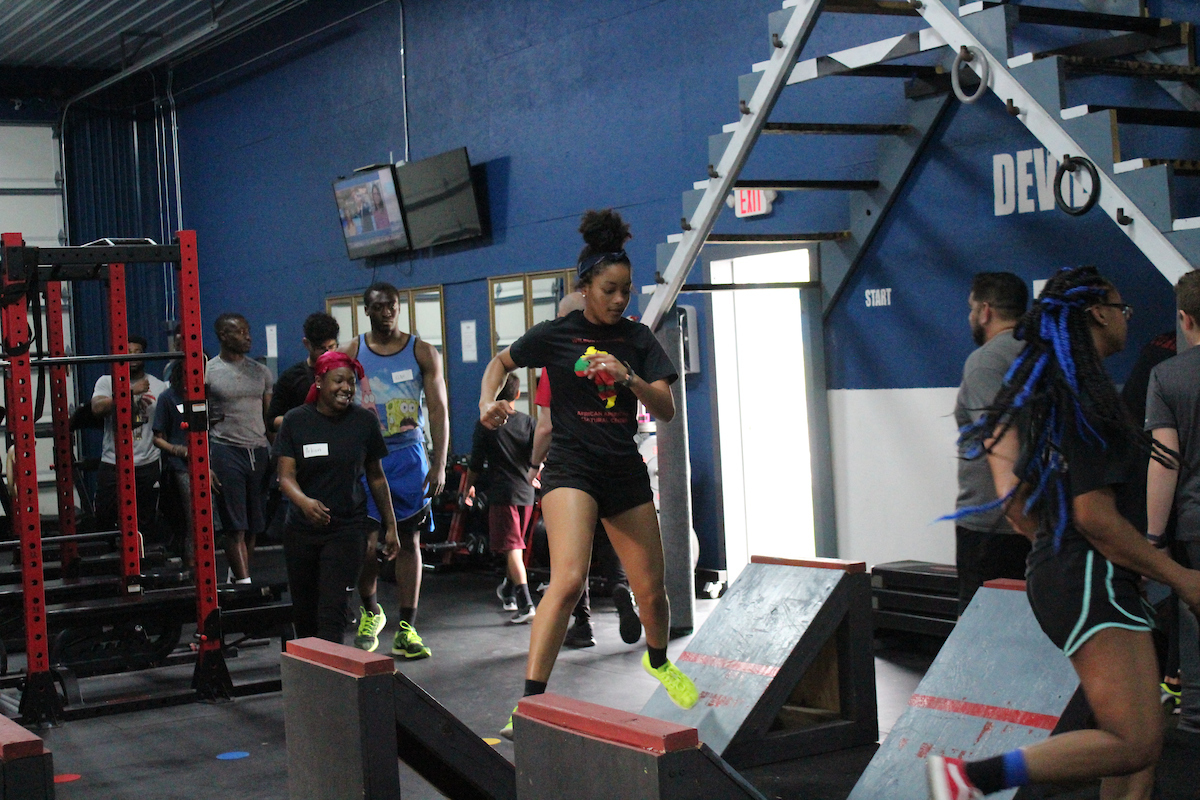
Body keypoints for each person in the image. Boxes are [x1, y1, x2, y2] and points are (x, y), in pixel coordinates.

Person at [929, 266, 1200, 800]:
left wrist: (1060, 555)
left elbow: (1020, 508)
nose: (1127, 318)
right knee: (1137, 743)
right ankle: (969, 778)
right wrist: (1182, 578)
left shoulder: (1059, 395)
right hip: (1089, 578)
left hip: (1081, 576)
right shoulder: (1084, 402)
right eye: (1121, 307)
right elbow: (1093, 517)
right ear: (1098, 312)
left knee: (1138, 742)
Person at [479, 208, 699, 739]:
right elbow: (501, 364)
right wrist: (488, 402)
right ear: (585, 288)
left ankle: (659, 660)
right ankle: (529, 703)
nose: (620, 299)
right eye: (610, 289)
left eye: (626, 290)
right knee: (569, 578)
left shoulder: (637, 340)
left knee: (653, 592)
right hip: (572, 468)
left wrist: (630, 379)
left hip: (623, 468)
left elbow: (666, 408)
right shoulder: (556, 335)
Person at [343, 282, 448, 658]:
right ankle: (372, 611)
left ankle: (408, 627)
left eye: (392, 306)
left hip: (408, 457)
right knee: (367, 545)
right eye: (378, 307)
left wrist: (439, 464)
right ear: (367, 311)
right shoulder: (351, 351)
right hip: (367, 459)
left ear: (399, 309)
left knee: (409, 542)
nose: (386, 312)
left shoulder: (421, 351)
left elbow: (438, 409)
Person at [532, 291, 641, 648]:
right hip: (619, 463)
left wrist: (533, 464)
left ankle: (582, 624)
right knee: (611, 539)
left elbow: (546, 426)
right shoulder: (622, 355)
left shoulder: (557, 364)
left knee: (571, 553)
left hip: (574, 471)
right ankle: (623, 589)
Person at [274, 351, 400, 643]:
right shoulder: (295, 421)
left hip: (346, 529)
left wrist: (390, 525)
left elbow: (377, 476)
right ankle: (310, 682)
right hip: (301, 531)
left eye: (351, 382)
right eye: (338, 381)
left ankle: (332, 682)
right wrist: (305, 503)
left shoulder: (363, 422)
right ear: (319, 381)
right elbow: (285, 477)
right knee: (305, 616)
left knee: (332, 614)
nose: (346, 388)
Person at [952, 273, 1030, 615]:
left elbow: (999, 440)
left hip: (994, 527)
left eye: (971, 308)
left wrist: (1015, 515)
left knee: (979, 637)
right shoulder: (1044, 353)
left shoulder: (986, 361)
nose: (970, 316)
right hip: (1040, 521)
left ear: (985, 311)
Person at [1145, 270, 1200, 734]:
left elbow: (1165, 463)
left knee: (1195, 626)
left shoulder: (1167, 376)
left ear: (1185, 319)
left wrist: (1154, 540)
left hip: (1194, 529)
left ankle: (1197, 718)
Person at [465, 373, 537, 624]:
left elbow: (475, 463)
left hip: (503, 493)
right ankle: (508, 590)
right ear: (518, 394)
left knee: (512, 549)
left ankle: (526, 603)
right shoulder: (530, 423)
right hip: (527, 494)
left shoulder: (486, 424)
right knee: (513, 548)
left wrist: (467, 488)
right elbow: (541, 456)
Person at [207, 313, 273, 584]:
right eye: (240, 332)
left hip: (258, 450)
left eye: (248, 331)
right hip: (225, 449)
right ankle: (246, 585)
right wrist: (205, 465)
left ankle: (237, 575)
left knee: (254, 525)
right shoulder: (207, 373)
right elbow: (196, 422)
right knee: (235, 525)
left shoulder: (261, 372)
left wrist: (280, 457)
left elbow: (269, 420)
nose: (248, 336)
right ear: (223, 335)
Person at [91, 335, 167, 542]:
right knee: (105, 515)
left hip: (147, 463)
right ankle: (111, 560)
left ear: (144, 356)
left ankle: (144, 563)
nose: (132, 356)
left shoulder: (159, 386)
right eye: (128, 351)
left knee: (146, 519)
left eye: (137, 352)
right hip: (113, 461)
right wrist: (130, 391)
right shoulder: (107, 382)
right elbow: (97, 408)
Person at [267, 313, 340, 432]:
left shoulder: (344, 373)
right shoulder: (290, 377)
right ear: (307, 344)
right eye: (321, 349)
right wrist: (302, 420)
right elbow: (272, 421)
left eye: (331, 347)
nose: (327, 354)